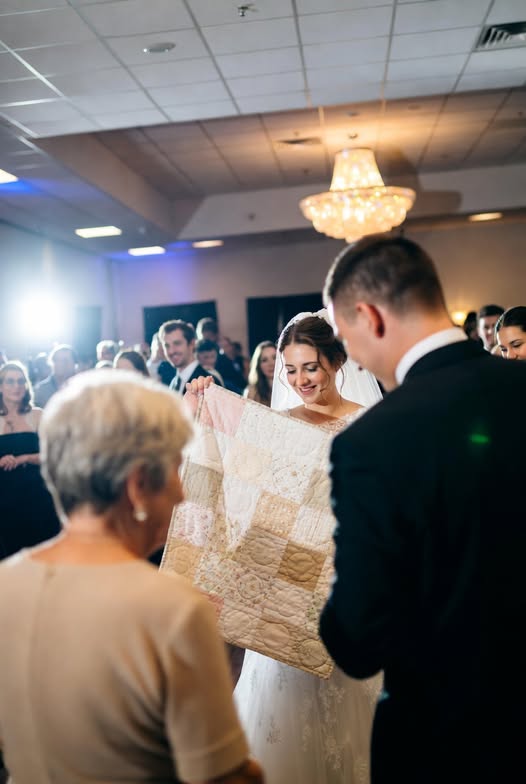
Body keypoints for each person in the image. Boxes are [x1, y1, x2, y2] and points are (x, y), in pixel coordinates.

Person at [319, 234, 526, 784]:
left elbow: (358, 639)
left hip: (449, 741)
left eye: (345, 337)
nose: (351, 357)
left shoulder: (372, 443)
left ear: (370, 316)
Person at [0, 370, 264, 784]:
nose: (181, 493)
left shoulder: (7, 584)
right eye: (176, 470)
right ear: (139, 484)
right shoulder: (173, 608)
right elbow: (221, 774)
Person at [188, 314, 383, 784]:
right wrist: (205, 404)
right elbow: (241, 487)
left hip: (352, 584)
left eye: (310, 367)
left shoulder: (368, 424)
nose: (300, 381)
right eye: (290, 370)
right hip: (292, 587)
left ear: (336, 361)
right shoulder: (278, 428)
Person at [0, 361, 60, 559]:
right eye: (10, 382)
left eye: (21, 381)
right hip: (4, 497)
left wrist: (24, 458)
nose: (16, 386)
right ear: (0, 386)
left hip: (37, 494)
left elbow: (53, 454)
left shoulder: (37, 415)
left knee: (43, 550)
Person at [160, 320, 214, 394]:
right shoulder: (174, 382)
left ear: (192, 343)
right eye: (167, 346)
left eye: (177, 343)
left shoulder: (207, 382)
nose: (171, 351)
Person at [244, 341, 276, 407]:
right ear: (258, 365)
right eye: (264, 360)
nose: (271, 364)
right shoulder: (252, 392)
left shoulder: (293, 387)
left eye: (274, 358)